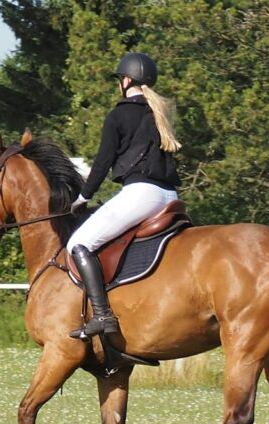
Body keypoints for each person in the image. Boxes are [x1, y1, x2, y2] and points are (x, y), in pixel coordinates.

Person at [66, 52, 182, 339]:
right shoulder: (159, 113)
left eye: (120, 79)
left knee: (79, 243)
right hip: (170, 196)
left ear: (126, 80)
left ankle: (103, 315)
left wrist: (83, 198)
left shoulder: (119, 115)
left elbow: (103, 162)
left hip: (142, 194)